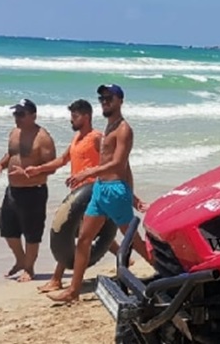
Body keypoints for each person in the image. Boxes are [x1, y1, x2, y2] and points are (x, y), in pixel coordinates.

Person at [50, 84, 151, 304]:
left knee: (134, 241)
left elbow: (120, 164)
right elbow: (122, 165)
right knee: (84, 239)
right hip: (100, 190)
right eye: (102, 98)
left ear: (120, 101)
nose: (105, 101)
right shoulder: (108, 127)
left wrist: (91, 173)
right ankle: (73, 291)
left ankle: (167, 272)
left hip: (115, 192)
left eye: (109, 98)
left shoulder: (124, 129)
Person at [16, 99, 118, 294]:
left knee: (68, 235)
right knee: (88, 233)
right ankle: (124, 256)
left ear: (86, 117)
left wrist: (93, 178)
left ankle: (56, 279)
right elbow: (62, 160)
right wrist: (38, 169)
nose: (71, 120)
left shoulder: (97, 138)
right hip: (77, 195)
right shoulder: (77, 138)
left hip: (92, 195)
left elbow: (112, 163)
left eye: (75, 116)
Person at [0, 98, 56, 282]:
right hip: (13, 190)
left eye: (21, 114)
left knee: (32, 233)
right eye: (15, 113)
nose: (16, 117)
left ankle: (29, 268)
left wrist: (29, 173)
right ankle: (20, 260)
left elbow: (51, 167)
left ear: (33, 116)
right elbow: (11, 154)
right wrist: (0, 164)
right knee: (7, 229)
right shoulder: (14, 133)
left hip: (33, 191)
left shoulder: (43, 138)